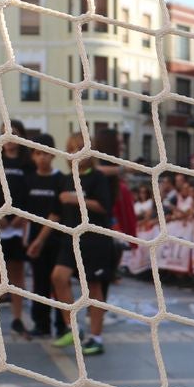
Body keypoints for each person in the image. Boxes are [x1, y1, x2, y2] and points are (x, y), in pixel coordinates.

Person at [51, 133, 112, 356]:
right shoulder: (66, 179)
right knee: (58, 277)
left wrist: (77, 199)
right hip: (70, 239)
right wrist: (38, 239)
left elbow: (104, 207)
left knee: (94, 287)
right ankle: (73, 328)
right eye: (70, 148)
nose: (74, 152)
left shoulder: (98, 178)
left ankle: (96, 338)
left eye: (79, 147)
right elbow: (56, 212)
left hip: (94, 240)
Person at [0, 121, 33, 338]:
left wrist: (23, 216)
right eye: (4, 133)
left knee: (17, 271)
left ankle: (18, 319)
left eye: (13, 134)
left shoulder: (28, 164)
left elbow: (32, 193)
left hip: (19, 226)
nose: (9, 138)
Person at [25, 134, 67, 338]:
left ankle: (62, 325)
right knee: (39, 283)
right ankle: (41, 323)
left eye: (46, 154)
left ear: (53, 155)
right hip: (34, 240)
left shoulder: (61, 180)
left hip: (56, 239)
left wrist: (41, 239)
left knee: (58, 282)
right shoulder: (29, 180)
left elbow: (59, 213)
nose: (42, 158)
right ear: (33, 156)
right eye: (38, 153)